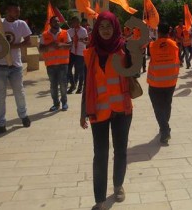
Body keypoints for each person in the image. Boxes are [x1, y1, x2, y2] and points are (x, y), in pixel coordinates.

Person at [80, 12, 133, 210]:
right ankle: (100, 199)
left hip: (122, 110)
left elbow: (134, 71)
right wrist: (83, 112)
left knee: (120, 151)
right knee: (100, 154)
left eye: (109, 26)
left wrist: (136, 53)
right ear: (96, 29)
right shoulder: (90, 52)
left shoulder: (123, 49)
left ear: (115, 27)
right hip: (98, 111)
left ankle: (118, 186)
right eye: (101, 26)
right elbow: (87, 84)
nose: (105, 30)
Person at [0, 0, 32, 136]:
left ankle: (23, 115)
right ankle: (0, 124)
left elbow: (28, 42)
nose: (18, 13)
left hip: (15, 66)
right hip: (0, 66)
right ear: (7, 11)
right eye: (15, 11)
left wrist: (13, 46)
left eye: (19, 11)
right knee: (0, 96)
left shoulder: (21, 24)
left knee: (19, 92)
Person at [147, 22, 180, 145]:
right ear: (169, 31)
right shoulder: (174, 45)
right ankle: (164, 126)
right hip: (170, 82)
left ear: (158, 32)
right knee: (166, 105)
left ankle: (165, 129)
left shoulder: (152, 46)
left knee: (158, 108)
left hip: (155, 83)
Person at [39, 16, 72, 111]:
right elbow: (40, 49)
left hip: (63, 64)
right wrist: (50, 46)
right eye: (55, 21)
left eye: (58, 21)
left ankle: (64, 103)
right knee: (53, 86)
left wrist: (61, 45)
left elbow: (70, 45)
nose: (57, 23)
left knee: (63, 85)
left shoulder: (65, 33)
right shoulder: (44, 35)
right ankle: (56, 104)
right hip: (50, 65)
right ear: (50, 23)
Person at [67, 16, 88, 94]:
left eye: (75, 22)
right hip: (72, 52)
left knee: (80, 70)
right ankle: (73, 84)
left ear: (78, 22)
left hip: (80, 53)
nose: (73, 23)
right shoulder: (70, 31)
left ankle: (80, 87)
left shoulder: (83, 30)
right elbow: (66, 40)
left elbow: (86, 40)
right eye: (72, 22)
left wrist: (82, 40)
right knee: (68, 69)